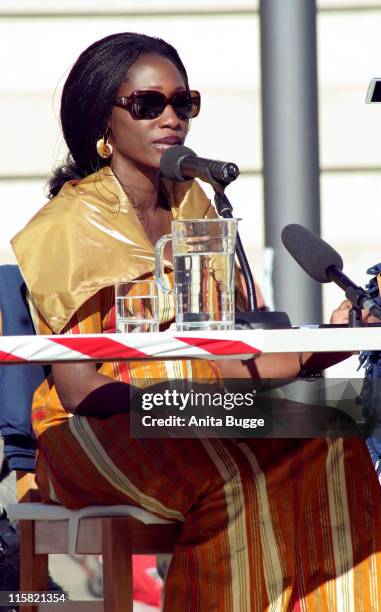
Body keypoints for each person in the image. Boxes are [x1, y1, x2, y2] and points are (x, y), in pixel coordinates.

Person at [11, 33, 381, 611]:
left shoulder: (198, 210)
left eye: (184, 103)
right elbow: (82, 390)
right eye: (148, 104)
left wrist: (336, 342)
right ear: (102, 126)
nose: (172, 118)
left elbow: (234, 364)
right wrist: (186, 409)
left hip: (200, 413)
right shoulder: (67, 226)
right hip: (97, 432)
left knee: (336, 432)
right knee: (237, 468)